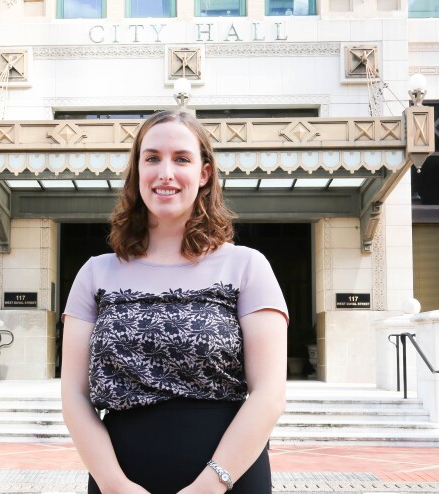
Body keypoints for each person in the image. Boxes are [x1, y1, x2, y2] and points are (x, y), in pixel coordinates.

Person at [60, 109, 289, 494]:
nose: (165, 172)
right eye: (152, 158)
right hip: (120, 480)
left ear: (204, 174)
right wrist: (115, 486)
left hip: (229, 479)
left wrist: (210, 486)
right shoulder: (95, 273)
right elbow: (74, 396)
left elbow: (269, 394)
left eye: (181, 158)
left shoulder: (248, 266)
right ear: (137, 172)